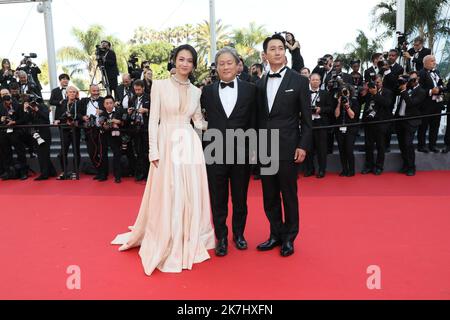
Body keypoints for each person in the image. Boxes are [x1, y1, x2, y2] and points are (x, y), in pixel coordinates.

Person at [112, 44, 215, 276]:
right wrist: (153, 151)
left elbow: (198, 121)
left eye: (189, 60)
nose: (185, 63)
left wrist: (221, 124)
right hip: (167, 143)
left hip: (189, 144)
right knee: (170, 190)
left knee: (189, 192)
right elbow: (153, 120)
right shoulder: (158, 86)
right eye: (181, 59)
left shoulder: (197, 91)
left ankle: (189, 234)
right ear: (174, 60)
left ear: (194, 65)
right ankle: (168, 234)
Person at [255, 34, 312, 257]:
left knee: (288, 195)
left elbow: (306, 119)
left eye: (281, 48)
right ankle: (275, 234)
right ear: (265, 54)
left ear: (285, 52)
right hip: (265, 149)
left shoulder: (299, 81)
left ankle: (289, 238)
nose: (277, 52)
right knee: (269, 196)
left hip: (289, 149)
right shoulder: (259, 84)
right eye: (273, 49)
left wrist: (303, 146)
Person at [201, 47, 257, 257]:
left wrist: (254, 149)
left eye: (229, 63)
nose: (225, 66)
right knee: (218, 198)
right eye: (221, 63)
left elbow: (254, 121)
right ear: (216, 68)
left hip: (242, 152)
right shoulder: (206, 92)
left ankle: (239, 234)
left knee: (240, 197)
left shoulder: (250, 90)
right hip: (214, 152)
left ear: (237, 65)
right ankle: (221, 237)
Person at [395, 72, 426, 176]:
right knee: (402, 144)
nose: (411, 81)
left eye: (413, 79)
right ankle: (405, 165)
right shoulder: (405, 88)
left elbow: (411, 103)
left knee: (408, 144)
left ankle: (411, 167)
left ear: (417, 79)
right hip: (400, 120)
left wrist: (404, 90)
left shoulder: (421, 91)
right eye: (410, 79)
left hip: (411, 121)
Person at [361, 75, 393, 175]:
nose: (376, 84)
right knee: (368, 145)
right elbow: (361, 102)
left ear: (382, 82)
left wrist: (375, 94)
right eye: (374, 82)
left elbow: (387, 104)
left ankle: (379, 167)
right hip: (369, 123)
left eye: (378, 82)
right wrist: (365, 92)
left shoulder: (387, 92)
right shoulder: (369, 92)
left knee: (380, 146)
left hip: (381, 123)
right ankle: (368, 166)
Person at [304, 73, 332, 178]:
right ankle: (310, 169)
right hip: (308, 124)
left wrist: (321, 109)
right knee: (308, 148)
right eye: (313, 80)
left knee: (321, 149)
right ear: (309, 81)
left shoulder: (325, 93)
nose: (315, 81)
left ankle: (322, 170)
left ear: (320, 82)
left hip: (321, 124)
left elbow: (330, 108)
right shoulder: (304, 93)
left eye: (317, 80)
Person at [417, 55, 445, 153]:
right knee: (423, 126)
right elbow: (419, 89)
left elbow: (440, 84)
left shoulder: (437, 72)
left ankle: (432, 145)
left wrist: (440, 88)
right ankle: (421, 145)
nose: (434, 62)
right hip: (426, 104)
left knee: (435, 125)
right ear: (426, 62)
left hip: (437, 103)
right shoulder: (421, 73)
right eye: (432, 61)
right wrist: (430, 91)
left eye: (435, 60)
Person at [335, 85, 361, 177]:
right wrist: (338, 104)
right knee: (342, 150)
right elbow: (336, 115)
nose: (345, 94)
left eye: (346, 92)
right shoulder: (338, 102)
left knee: (349, 150)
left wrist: (347, 106)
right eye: (343, 92)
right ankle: (344, 170)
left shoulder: (354, 102)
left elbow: (353, 116)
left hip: (351, 129)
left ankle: (351, 170)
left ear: (350, 92)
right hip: (339, 129)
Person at [97, 96, 123, 183]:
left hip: (116, 137)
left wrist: (118, 122)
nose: (109, 105)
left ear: (114, 103)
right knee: (103, 155)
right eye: (107, 103)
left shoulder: (119, 112)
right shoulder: (102, 114)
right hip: (104, 136)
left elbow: (123, 122)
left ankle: (118, 176)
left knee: (117, 156)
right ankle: (103, 175)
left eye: (111, 103)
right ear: (104, 105)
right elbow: (101, 124)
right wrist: (106, 125)